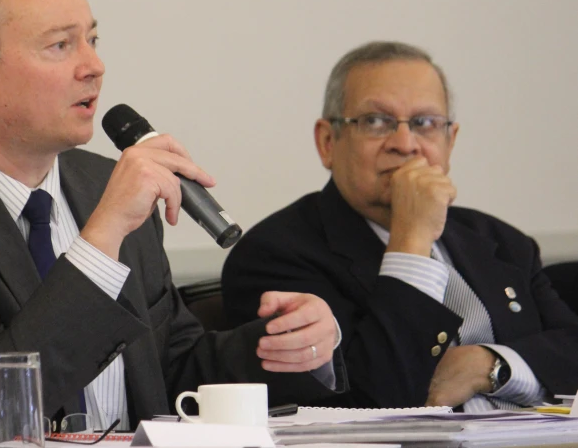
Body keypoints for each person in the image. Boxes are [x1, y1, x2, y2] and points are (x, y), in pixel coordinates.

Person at [0, 0, 344, 437]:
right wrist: (102, 237)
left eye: (93, 39)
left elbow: (171, 370)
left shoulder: (104, 185)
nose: (94, 65)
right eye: (61, 45)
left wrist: (291, 345)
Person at [222, 41, 578, 411]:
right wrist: (412, 240)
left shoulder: (502, 241)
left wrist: (490, 365)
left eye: (425, 123)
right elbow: (372, 403)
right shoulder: (274, 255)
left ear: (449, 142)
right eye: (376, 122)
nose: (406, 144)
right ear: (328, 142)